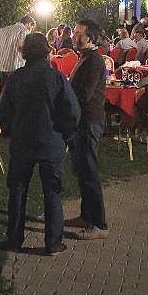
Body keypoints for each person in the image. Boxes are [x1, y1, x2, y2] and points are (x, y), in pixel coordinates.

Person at [0, 33, 80, 255]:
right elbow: (72, 112)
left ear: (25, 52)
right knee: (52, 193)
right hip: (50, 141)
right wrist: (66, 135)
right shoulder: (56, 78)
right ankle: (53, 243)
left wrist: (10, 128)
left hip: (22, 141)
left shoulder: (16, 78)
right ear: (46, 51)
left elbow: (2, 111)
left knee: (17, 191)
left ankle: (14, 240)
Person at [66, 20, 109, 240]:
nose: (73, 36)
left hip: (89, 121)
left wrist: (64, 95)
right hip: (81, 121)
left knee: (90, 171)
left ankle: (99, 224)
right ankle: (86, 216)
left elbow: (85, 94)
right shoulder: (85, 57)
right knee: (82, 170)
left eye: (77, 33)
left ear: (90, 38)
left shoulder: (94, 60)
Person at [0, 15, 37, 90]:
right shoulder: (24, 31)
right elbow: (25, 50)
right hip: (15, 66)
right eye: (31, 27)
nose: (31, 30)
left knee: (4, 92)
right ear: (28, 24)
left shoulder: (3, 30)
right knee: (16, 92)